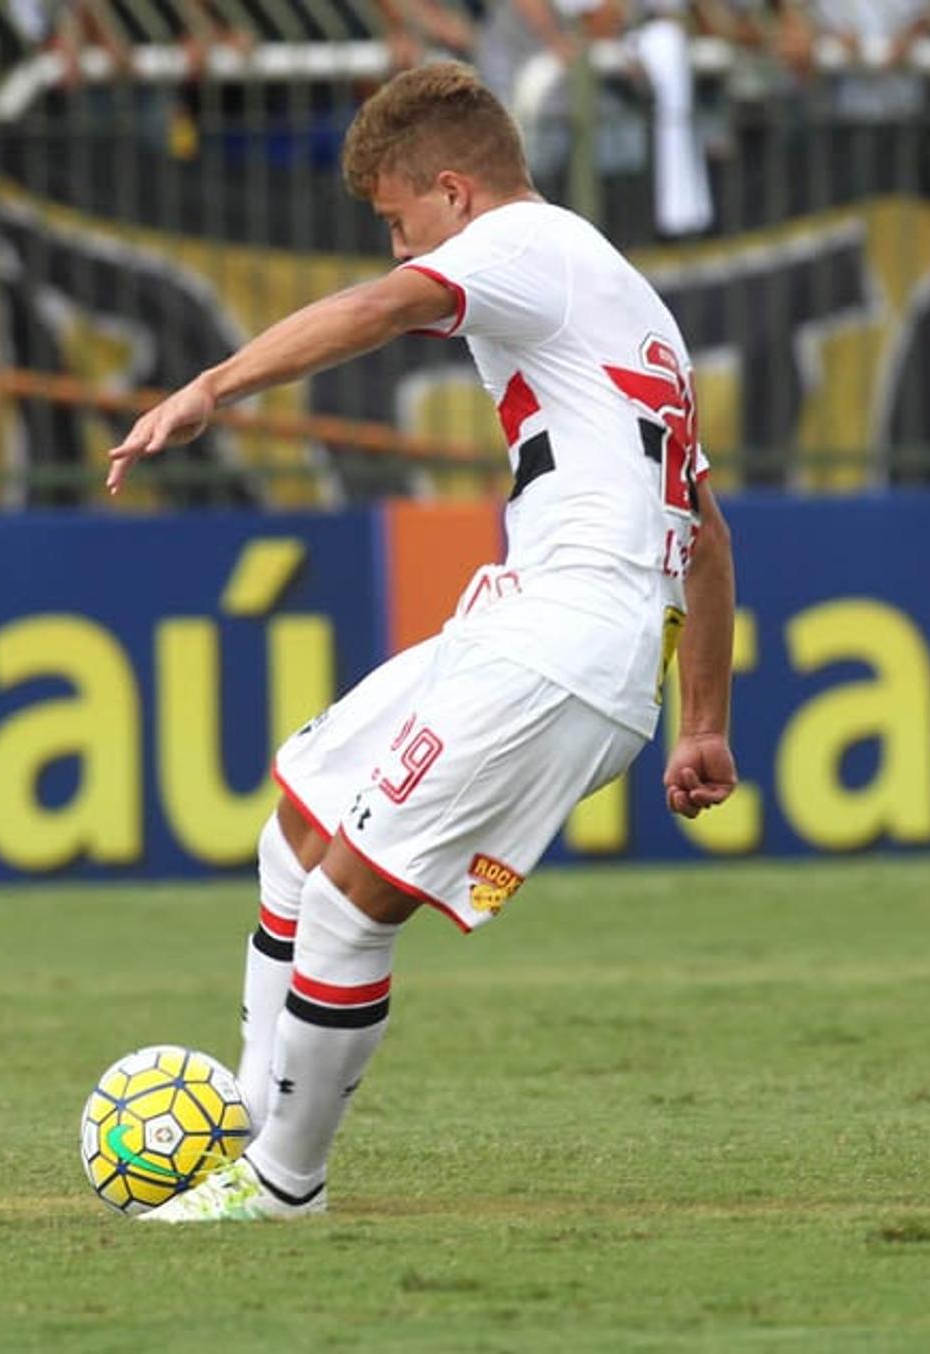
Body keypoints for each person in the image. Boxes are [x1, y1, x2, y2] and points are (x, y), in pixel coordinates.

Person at [104, 59, 739, 1223]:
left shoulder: (524, 246)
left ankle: (284, 1188)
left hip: (563, 640)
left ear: (452, 190)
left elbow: (378, 310)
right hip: (532, 618)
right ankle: (254, 1122)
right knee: (299, 827)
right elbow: (700, 529)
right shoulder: (619, 299)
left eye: (401, 222)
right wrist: (701, 720)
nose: (403, 251)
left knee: (351, 898)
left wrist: (214, 385)